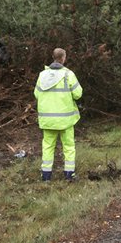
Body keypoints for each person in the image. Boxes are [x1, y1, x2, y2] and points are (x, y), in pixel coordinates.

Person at [34, 47, 82, 182]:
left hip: (47, 120)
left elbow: (36, 94)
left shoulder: (42, 75)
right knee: (68, 147)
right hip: (65, 120)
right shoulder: (68, 75)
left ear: (53, 57)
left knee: (48, 147)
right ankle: (69, 175)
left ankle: (46, 177)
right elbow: (78, 94)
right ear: (63, 58)